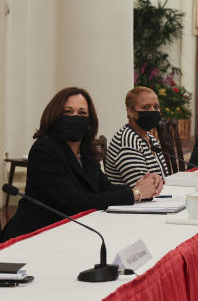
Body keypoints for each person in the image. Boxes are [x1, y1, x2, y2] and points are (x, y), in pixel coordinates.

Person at [0, 87, 163, 242]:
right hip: (34, 236)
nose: (76, 117)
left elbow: (103, 186)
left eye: (82, 113)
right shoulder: (45, 149)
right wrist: (134, 194)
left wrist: (143, 187)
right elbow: (73, 202)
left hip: (71, 232)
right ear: (56, 116)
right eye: (68, 112)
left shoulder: (86, 150)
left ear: (89, 120)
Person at [105, 86, 170, 186]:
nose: (153, 111)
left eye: (156, 107)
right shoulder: (127, 142)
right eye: (146, 107)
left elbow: (164, 178)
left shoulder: (150, 138)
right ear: (130, 111)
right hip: (132, 201)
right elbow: (143, 189)